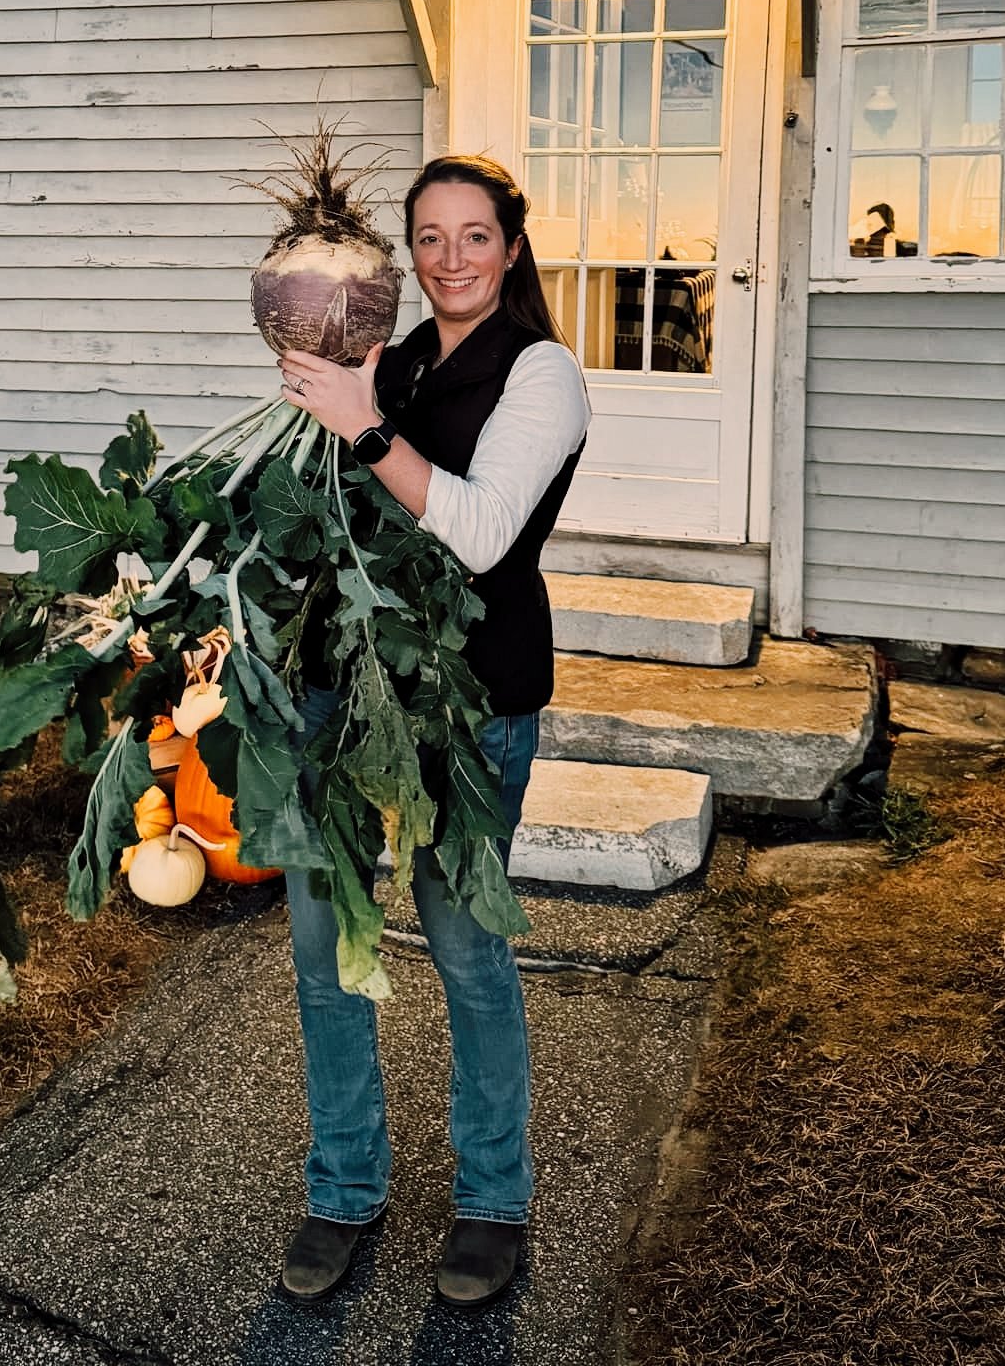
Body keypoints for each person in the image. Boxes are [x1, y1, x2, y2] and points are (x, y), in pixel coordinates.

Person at [273, 153, 591, 1311]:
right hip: (347, 690)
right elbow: (324, 505)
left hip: (471, 705)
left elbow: (481, 531)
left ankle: (493, 1200)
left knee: (465, 945)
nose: (450, 258)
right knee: (327, 941)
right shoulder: (394, 361)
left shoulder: (542, 374)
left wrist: (364, 428)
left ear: (511, 246)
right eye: (429, 237)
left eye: (474, 234)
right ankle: (345, 1185)